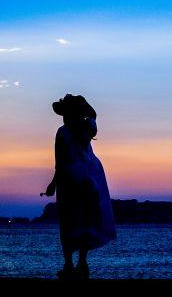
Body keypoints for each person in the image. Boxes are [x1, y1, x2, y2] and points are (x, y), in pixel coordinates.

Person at [42, 93, 116, 279]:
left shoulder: (63, 132)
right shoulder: (87, 127)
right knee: (85, 221)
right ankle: (82, 263)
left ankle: (69, 265)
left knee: (68, 222)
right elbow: (94, 114)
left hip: (71, 179)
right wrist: (84, 104)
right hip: (90, 177)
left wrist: (53, 183)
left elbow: (60, 162)